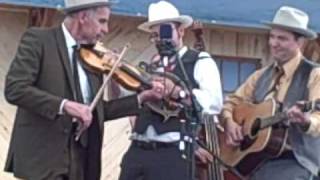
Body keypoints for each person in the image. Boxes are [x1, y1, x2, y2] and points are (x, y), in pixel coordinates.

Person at [3, 0, 170, 179]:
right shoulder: (39, 40)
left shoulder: (94, 58)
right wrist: (65, 105)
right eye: (102, 21)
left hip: (82, 162)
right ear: (83, 17)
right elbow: (15, 88)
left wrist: (141, 98)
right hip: (44, 159)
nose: (106, 29)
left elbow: (97, 111)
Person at [118, 1, 223, 180]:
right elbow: (129, 101)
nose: (160, 39)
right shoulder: (151, 67)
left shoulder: (199, 60)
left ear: (181, 31)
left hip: (172, 154)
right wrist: (115, 74)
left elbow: (214, 102)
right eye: (155, 35)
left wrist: (177, 92)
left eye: (165, 32)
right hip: (137, 151)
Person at [221, 6, 320, 180]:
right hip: (254, 160)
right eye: (272, 36)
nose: (274, 43)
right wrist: (229, 122)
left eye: (282, 38)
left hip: (295, 161)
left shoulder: (314, 74)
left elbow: (318, 118)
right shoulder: (259, 76)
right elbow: (232, 102)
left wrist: (306, 122)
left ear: (300, 42)